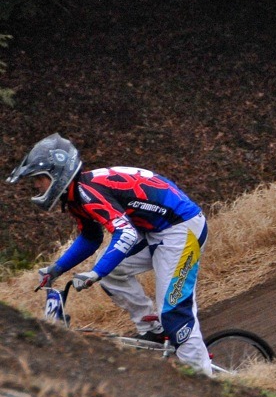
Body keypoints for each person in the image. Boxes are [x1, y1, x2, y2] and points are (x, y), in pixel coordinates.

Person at [7, 133, 213, 375]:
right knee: (112, 270)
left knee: (174, 312)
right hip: (156, 231)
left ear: (57, 174)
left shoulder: (88, 192)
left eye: (40, 179)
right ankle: (154, 329)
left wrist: (95, 273)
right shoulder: (77, 195)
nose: (37, 185)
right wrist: (57, 268)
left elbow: (125, 234)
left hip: (182, 229)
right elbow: (91, 238)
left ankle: (208, 383)